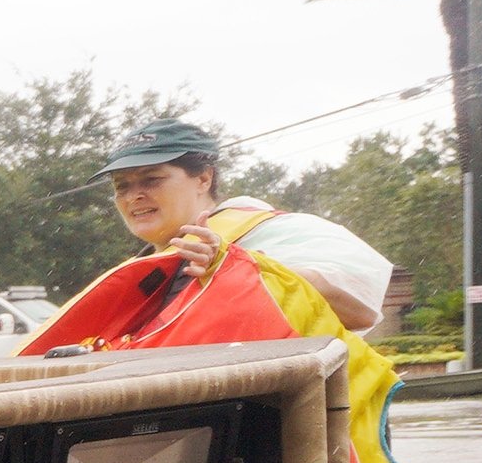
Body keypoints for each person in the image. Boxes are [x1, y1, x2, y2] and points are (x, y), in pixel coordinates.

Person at [96, 117, 394, 333]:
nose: (134, 196)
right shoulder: (138, 274)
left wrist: (240, 271)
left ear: (203, 178)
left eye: (152, 179)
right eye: (121, 186)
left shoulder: (272, 231)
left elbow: (361, 310)